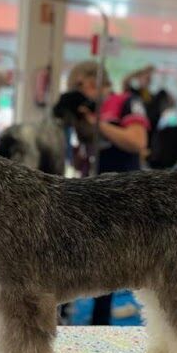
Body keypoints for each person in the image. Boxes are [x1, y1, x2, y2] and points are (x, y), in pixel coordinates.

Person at [61, 60, 150, 324]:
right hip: (92, 190)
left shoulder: (126, 101)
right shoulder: (88, 113)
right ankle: (66, 315)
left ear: (91, 82)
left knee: (111, 261)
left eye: (80, 88)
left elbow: (137, 141)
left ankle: (101, 322)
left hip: (123, 192)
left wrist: (98, 123)